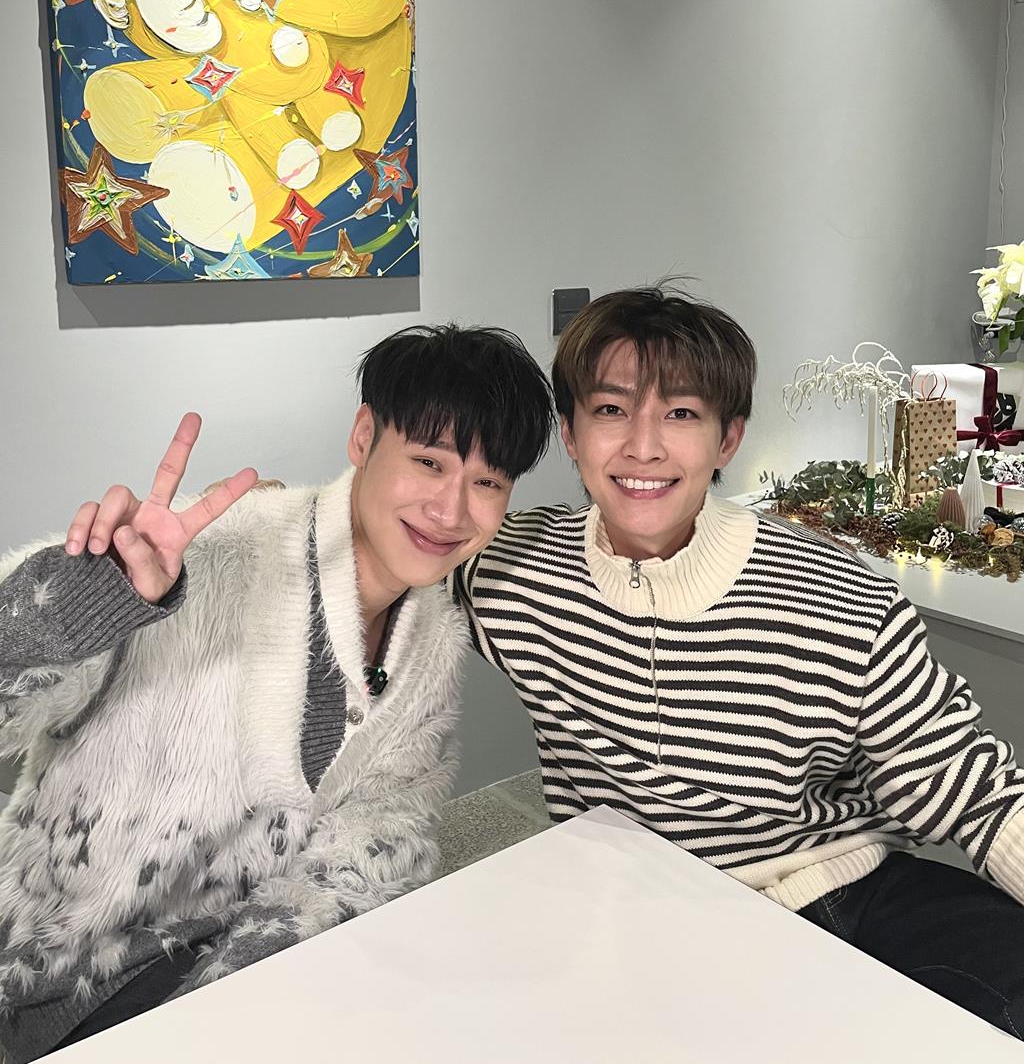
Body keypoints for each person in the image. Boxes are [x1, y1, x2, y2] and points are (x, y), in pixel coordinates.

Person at [454, 283, 1024, 1037]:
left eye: (681, 413)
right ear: (570, 432)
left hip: (841, 881)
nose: (643, 446)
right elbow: (375, 560)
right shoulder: (511, 573)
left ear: (728, 440)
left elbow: (972, 790)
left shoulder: (842, 598)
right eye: (611, 409)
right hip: (643, 910)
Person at [0, 324, 553, 1062]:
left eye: (487, 483)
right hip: (52, 980)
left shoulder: (430, 645)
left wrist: (233, 996)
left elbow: (376, 838)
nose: (452, 511)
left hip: (245, 979)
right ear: (364, 436)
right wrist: (86, 600)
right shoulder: (204, 558)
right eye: (429, 462)